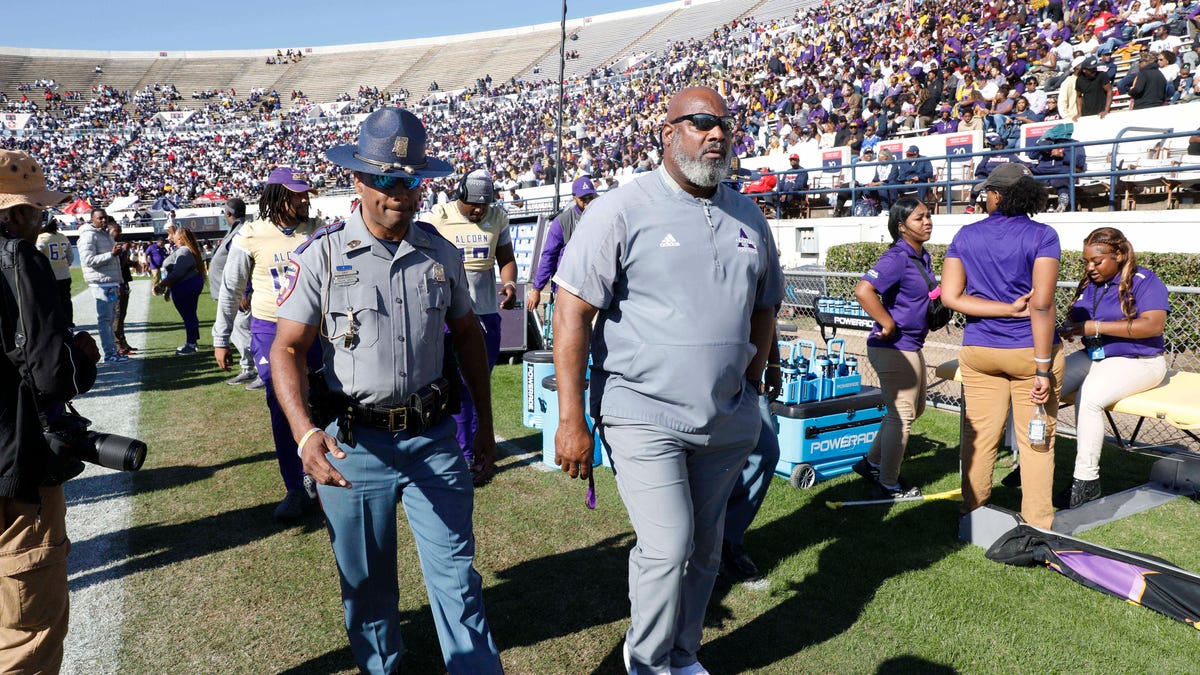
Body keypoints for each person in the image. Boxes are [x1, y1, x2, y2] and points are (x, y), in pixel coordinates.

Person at [552, 86, 783, 674]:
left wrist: (754, 379)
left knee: (706, 548)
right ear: (669, 132)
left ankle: (683, 655)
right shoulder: (622, 208)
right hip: (641, 409)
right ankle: (648, 661)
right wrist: (571, 418)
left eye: (724, 125)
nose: (715, 135)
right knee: (668, 543)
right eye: (700, 123)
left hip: (725, 414)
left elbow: (765, 304)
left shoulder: (748, 213)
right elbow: (572, 308)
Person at [270, 107, 503, 675]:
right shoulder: (322, 255)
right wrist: (304, 436)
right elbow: (287, 349)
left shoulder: (439, 251)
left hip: (433, 439)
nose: (397, 192)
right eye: (384, 179)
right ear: (358, 180)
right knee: (369, 593)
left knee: (456, 576)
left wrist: (487, 429)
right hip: (355, 448)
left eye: (409, 179)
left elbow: (468, 336)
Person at [0, 149, 99, 673]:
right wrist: (81, 363)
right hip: (14, 466)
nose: (42, 217)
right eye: (35, 208)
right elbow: (49, 374)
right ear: (14, 213)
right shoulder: (19, 258)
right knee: (27, 633)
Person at [940, 162, 1064, 530]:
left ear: (995, 195)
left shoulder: (966, 235)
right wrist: (1043, 366)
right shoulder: (1043, 235)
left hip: (980, 350)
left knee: (978, 436)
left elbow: (950, 296)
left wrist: (1001, 309)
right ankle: (1038, 525)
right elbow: (1041, 304)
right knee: (1036, 442)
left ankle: (972, 514)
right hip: (1030, 352)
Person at [212, 167, 322, 522]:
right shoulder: (251, 234)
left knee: (323, 400)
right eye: (297, 195)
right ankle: (296, 486)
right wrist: (221, 337)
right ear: (276, 197)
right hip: (269, 330)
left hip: (315, 328)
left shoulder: (319, 229)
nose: (304, 200)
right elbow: (230, 289)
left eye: (306, 194)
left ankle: (325, 479)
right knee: (282, 404)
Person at [1056, 227, 1169, 509]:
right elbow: (1079, 320)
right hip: (1097, 356)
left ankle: (1086, 482)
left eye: (1097, 261)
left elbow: (1153, 325)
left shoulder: (1144, 280)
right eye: (1086, 262)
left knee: (1090, 397)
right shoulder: (1091, 284)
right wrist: (1071, 327)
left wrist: (1095, 326)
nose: (1090, 267)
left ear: (1118, 255)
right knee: (1045, 381)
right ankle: (1033, 464)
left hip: (1140, 360)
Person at [427, 169, 517, 467]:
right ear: (460, 196)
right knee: (456, 385)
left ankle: (475, 446)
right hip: (448, 315)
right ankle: (464, 452)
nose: (479, 209)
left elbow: (506, 259)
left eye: (485, 204)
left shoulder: (498, 218)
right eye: (473, 204)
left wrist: (510, 283)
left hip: (485, 313)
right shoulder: (438, 216)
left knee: (478, 382)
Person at [852, 197, 934, 499]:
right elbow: (864, 290)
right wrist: (886, 322)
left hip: (910, 344)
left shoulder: (920, 255)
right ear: (901, 227)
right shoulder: (897, 257)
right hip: (893, 346)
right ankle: (888, 483)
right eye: (918, 218)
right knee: (901, 414)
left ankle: (871, 463)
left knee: (915, 409)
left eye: (927, 215)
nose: (927, 221)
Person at [720, 334, 782, 585]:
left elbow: (769, 315)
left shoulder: (764, 293)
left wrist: (774, 365)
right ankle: (697, 550)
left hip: (748, 378)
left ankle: (727, 541)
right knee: (702, 462)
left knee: (766, 452)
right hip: (704, 370)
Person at [527, 175, 597, 312]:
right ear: (574, 197)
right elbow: (549, 257)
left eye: (591, 197)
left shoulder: (602, 216)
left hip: (594, 288)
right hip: (568, 288)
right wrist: (536, 289)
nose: (588, 202)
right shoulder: (562, 221)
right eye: (583, 199)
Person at [208, 198, 258, 386]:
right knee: (239, 333)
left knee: (244, 332)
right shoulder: (235, 230)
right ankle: (248, 368)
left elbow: (244, 263)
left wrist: (245, 292)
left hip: (238, 295)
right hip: (231, 294)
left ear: (228, 214)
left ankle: (258, 370)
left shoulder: (241, 232)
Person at [77, 207, 128, 364]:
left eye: (105, 217)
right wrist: (111, 254)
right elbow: (88, 260)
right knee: (105, 320)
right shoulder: (88, 235)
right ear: (92, 219)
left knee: (110, 319)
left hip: (110, 282)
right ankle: (109, 354)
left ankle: (113, 352)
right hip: (101, 284)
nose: (104, 220)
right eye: (100, 218)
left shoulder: (105, 234)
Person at [154, 227, 206, 355]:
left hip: (185, 285)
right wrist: (169, 288)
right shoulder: (185, 250)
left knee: (188, 315)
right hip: (186, 284)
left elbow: (178, 272)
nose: (172, 237)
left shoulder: (184, 251)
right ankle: (193, 341)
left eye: (175, 235)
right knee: (190, 315)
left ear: (180, 238)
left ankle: (191, 344)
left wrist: (161, 285)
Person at [35, 217, 73, 327]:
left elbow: (37, 258)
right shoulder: (63, 237)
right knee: (66, 301)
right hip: (65, 275)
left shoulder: (40, 239)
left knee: (50, 302)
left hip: (49, 277)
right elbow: (70, 258)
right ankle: (69, 324)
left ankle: (54, 325)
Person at [107, 218, 135, 356]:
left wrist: (132, 262)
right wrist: (124, 252)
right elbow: (119, 265)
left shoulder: (117, 245)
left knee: (122, 315)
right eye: (117, 231)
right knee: (117, 315)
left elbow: (124, 264)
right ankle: (118, 346)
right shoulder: (109, 247)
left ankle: (123, 342)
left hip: (123, 282)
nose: (120, 234)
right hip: (116, 283)